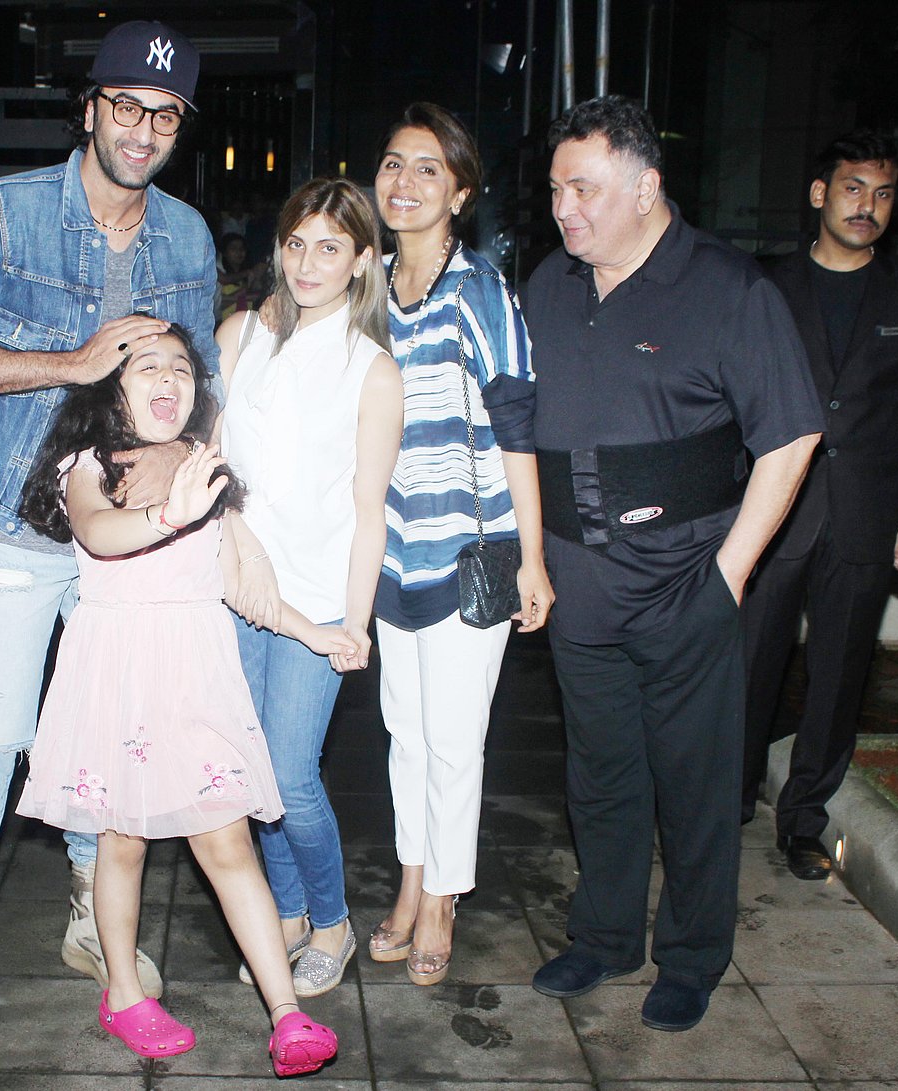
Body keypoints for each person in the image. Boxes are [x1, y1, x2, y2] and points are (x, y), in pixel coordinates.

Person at [0, 19, 218, 1048]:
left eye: (164, 115)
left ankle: (94, 911)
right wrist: (71, 364)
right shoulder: (2, 213)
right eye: (126, 105)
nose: (142, 130)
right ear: (89, 109)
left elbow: (202, 373)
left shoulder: (186, 237)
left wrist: (182, 465)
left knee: (111, 730)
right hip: (14, 515)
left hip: (122, 530)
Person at [525, 95, 823, 1032]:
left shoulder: (729, 289)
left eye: (584, 188)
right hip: (579, 587)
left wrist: (729, 573)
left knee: (695, 785)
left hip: (686, 584)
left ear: (647, 187)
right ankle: (606, 935)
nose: (564, 208)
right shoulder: (549, 285)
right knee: (600, 777)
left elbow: (793, 435)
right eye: (555, 189)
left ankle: (692, 956)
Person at [14, 326, 339, 1077]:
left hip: (197, 676)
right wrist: (171, 514)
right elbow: (100, 532)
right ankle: (124, 994)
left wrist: (314, 633)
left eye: (183, 368)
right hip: (120, 674)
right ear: (111, 386)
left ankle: (286, 1010)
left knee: (229, 842)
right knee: (122, 841)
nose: (170, 378)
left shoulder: (203, 467)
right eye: (148, 367)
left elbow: (237, 582)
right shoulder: (88, 464)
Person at [367, 103, 553, 987]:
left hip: (469, 552)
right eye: (393, 164)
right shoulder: (367, 288)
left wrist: (535, 559)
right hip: (390, 548)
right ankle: (412, 878)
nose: (404, 182)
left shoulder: (480, 292)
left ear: (461, 194)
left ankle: (443, 896)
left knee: (452, 739)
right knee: (404, 732)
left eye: (428, 169)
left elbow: (519, 426)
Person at [217, 178, 403, 996]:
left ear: (362, 260)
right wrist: (236, 541)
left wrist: (355, 622)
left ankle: (332, 919)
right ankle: (288, 911)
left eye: (330, 247)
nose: (308, 262)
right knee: (249, 769)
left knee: (291, 774)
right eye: (296, 243)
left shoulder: (374, 371)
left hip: (318, 600)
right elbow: (206, 460)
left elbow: (369, 511)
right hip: (233, 588)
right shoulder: (241, 336)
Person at [742, 131, 898, 880]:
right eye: (853, 188)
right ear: (820, 193)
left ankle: (805, 821)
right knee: (747, 667)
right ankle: (728, 798)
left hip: (868, 513)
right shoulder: (766, 286)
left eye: (882, 193)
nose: (866, 206)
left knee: (840, 678)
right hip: (774, 510)